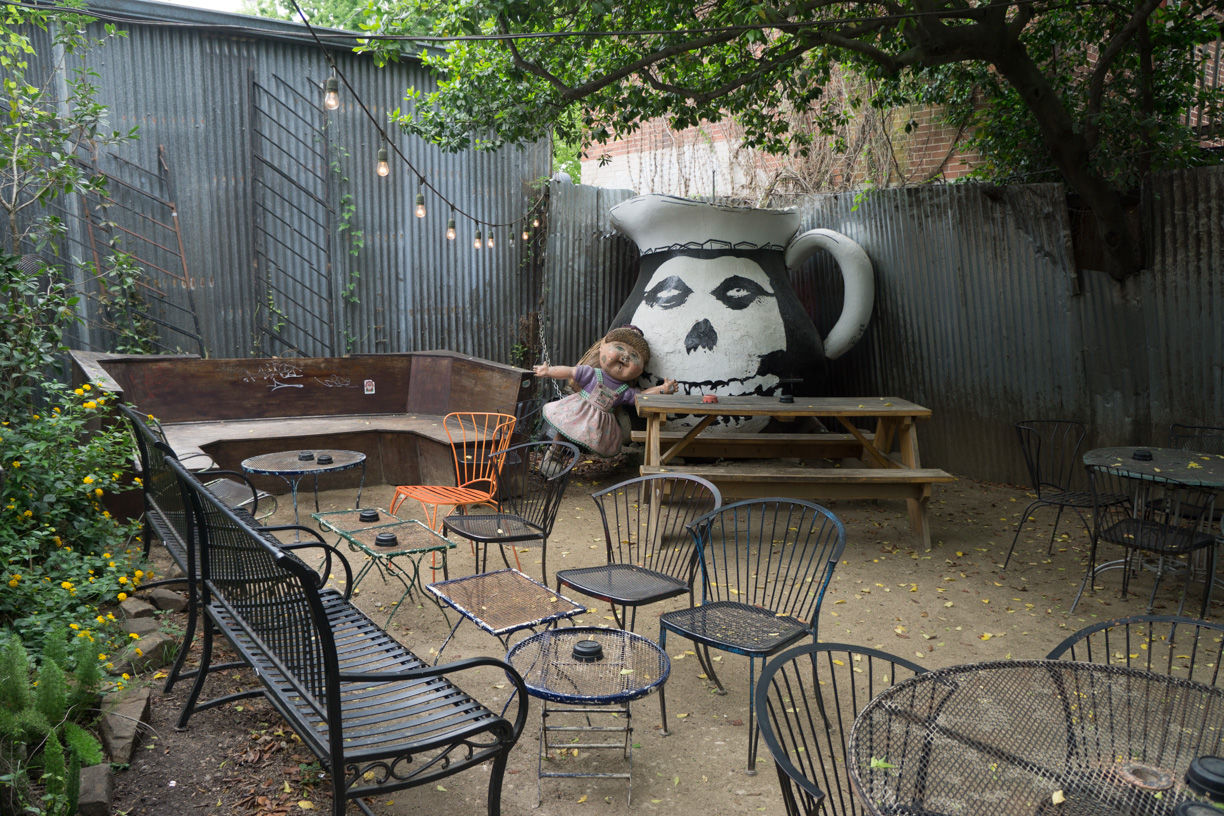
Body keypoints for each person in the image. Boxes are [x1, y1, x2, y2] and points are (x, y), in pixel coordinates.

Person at [533, 325, 677, 457]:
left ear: (640, 370)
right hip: (579, 409)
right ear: (602, 347)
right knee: (563, 429)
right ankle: (553, 454)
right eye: (620, 348)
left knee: (593, 441)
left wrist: (662, 389)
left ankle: (580, 458)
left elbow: (642, 396)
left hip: (599, 422)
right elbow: (570, 371)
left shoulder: (625, 391)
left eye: (634, 356)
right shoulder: (592, 374)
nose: (626, 356)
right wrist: (548, 371)